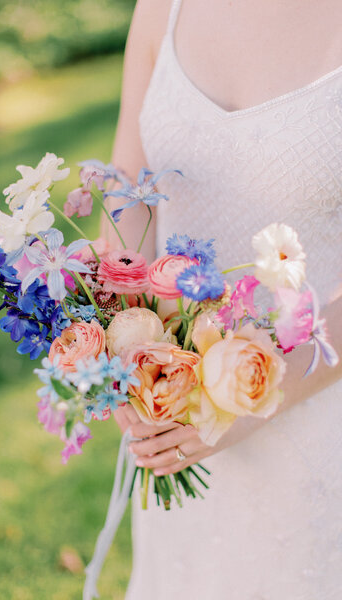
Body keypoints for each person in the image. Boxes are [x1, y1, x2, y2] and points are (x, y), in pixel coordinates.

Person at [102, 1, 342, 597]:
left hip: (321, 411)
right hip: (178, 416)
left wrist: (252, 393)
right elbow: (127, 186)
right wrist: (123, 341)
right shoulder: (164, 9)